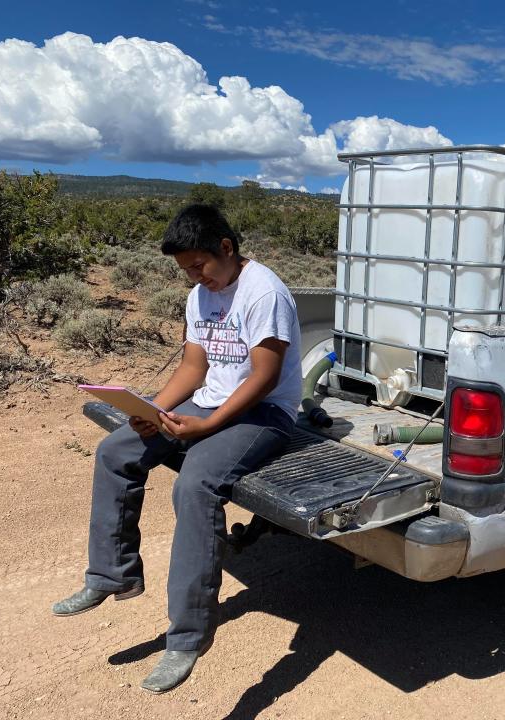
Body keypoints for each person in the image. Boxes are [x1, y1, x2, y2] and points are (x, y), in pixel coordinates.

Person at [52, 204, 302, 693]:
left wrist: (204, 429)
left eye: (198, 265)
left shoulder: (264, 292)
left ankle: (186, 635)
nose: (193, 276)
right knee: (115, 452)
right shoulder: (200, 296)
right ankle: (111, 574)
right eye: (185, 269)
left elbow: (266, 377)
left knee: (197, 484)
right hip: (208, 404)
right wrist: (150, 411)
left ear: (226, 248)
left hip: (263, 414)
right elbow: (193, 368)